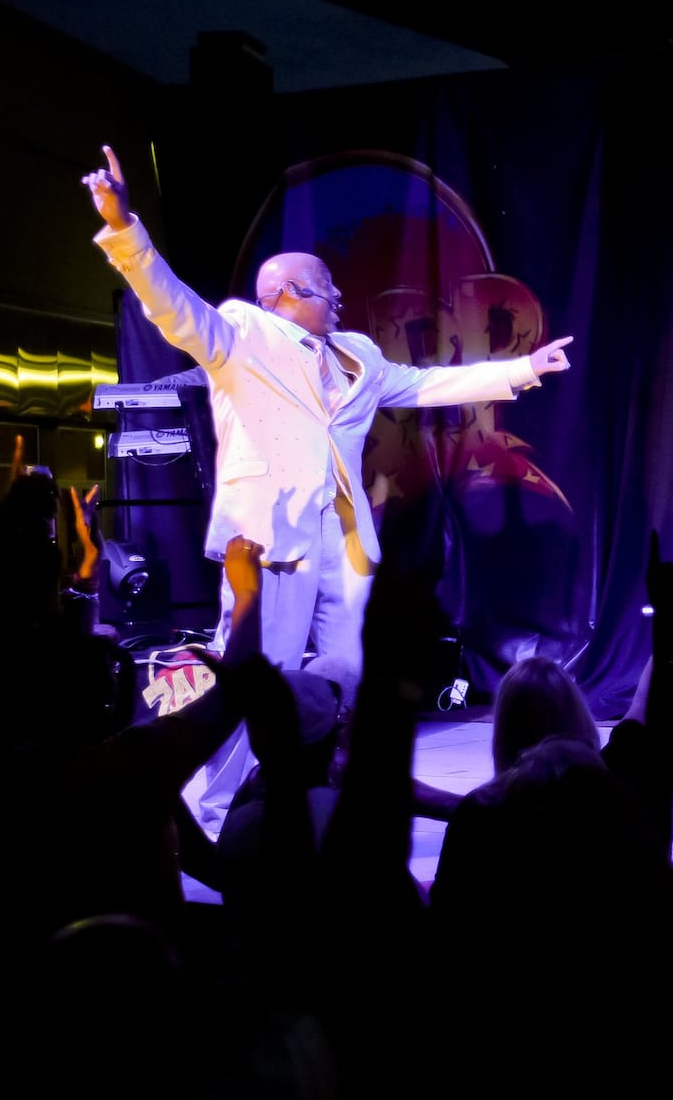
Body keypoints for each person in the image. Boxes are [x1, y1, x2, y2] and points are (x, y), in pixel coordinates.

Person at [81, 144, 574, 836]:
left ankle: (330, 778)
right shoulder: (241, 334)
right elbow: (170, 306)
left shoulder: (361, 355)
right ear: (284, 295)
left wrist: (521, 367)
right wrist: (125, 228)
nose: (340, 295)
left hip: (342, 536)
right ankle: (224, 805)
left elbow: (425, 385)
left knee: (348, 672)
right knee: (257, 671)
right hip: (270, 535)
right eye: (327, 288)